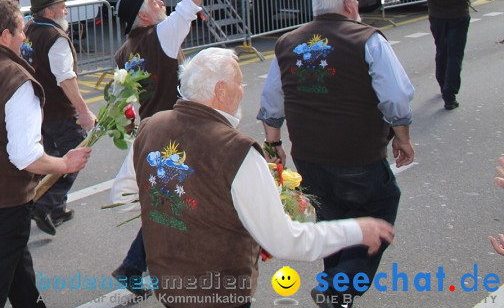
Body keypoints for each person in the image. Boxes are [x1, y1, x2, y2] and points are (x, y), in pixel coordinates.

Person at [134, 48, 395, 308]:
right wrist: (355, 230)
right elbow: (284, 240)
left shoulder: (151, 126)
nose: (243, 90)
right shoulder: (236, 151)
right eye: (239, 82)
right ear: (221, 90)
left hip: (169, 288)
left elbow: (125, 193)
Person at [259, 0, 415, 307]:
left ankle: (336, 295)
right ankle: (337, 287)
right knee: (379, 209)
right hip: (358, 154)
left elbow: (272, 101)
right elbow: (396, 97)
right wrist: (402, 137)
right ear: (349, 4)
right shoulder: (367, 39)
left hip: (309, 156)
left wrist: (274, 146)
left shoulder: (287, 42)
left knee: (332, 220)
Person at [0, 0, 92, 308]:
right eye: (20, 30)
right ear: (4, 36)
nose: (25, 36)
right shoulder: (15, 79)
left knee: (19, 276)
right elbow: (25, 156)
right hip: (2, 202)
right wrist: (64, 163)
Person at [110, 0, 220, 289]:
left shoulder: (126, 50)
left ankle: (137, 265)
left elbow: (124, 101)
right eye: (154, 1)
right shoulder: (161, 35)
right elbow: (192, 3)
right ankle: (147, 265)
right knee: (179, 200)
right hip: (175, 130)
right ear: (143, 16)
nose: (160, 2)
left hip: (150, 131)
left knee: (170, 200)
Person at [23, 0, 97, 235]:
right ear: (51, 12)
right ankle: (46, 203)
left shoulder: (30, 27)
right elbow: (66, 79)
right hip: (59, 112)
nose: (65, 9)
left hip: (39, 109)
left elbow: (49, 6)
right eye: (62, 6)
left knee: (53, 158)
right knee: (75, 157)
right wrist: (84, 111)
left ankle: (55, 208)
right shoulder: (56, 40)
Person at [407, 0, 478, 110]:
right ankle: (449, 93)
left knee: (441, 49)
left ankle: (443, 83)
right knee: (455, 54)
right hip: (458, 15)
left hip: (437, 15)